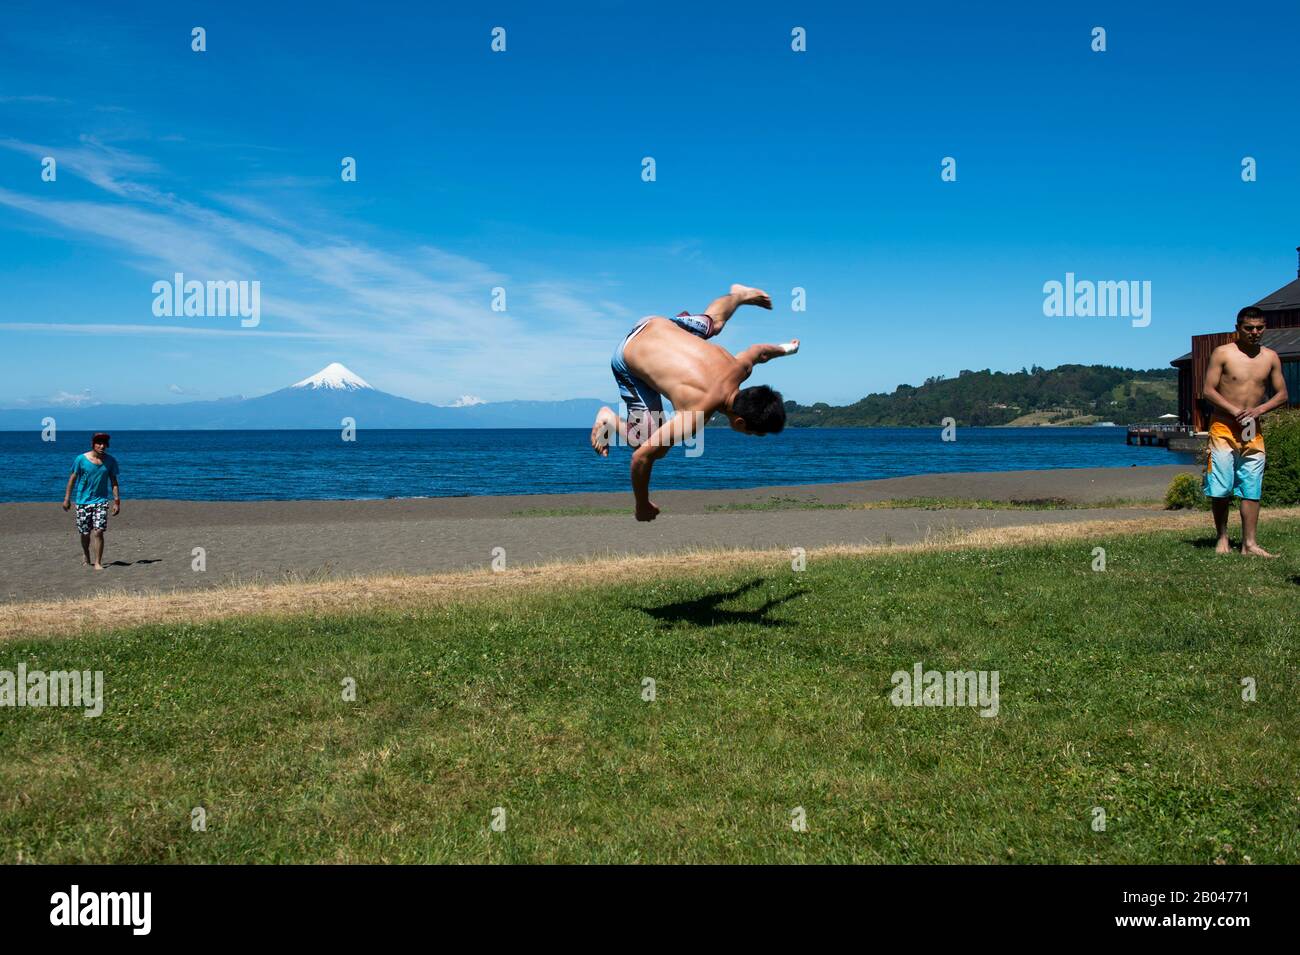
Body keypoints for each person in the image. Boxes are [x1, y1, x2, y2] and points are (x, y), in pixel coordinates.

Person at [590, 284, 798, 521]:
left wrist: (788, 348)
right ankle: (608, 418)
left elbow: (758, 351)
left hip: (655, 324)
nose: (751, 436)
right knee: (647, 446)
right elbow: (641, 459)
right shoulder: (696, 415)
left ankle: (738, 295)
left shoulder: (740, 367)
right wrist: (641, 505)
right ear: (740, 423)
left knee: (713, 324)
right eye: (754, 434)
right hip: (626, 357)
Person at [1201, 306, 1289, 556]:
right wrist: (1234, 410)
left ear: (1265, 328)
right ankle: (1222, 538)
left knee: (1252, 485)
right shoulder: (1223, 353)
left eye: (1259, 328)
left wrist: (1258, 411)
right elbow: (1208, 390)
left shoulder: (1270, 357)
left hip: (1253, 428)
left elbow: (1282, 394)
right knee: (1221, 484)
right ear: (1238, 328)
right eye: (1249, 328)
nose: (1254, 332)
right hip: (1223, 426)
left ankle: (1249, 543)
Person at [61, 432, 121, 570]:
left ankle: (98, 562)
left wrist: (117, 502)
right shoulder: (81, 459)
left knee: (99, 531)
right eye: (99, 443)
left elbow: (114, 482)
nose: (102, 446)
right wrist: (67, 499)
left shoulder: (110, 461)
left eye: (104, 443)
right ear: (93, 444)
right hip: (83, 502)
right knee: (85, 533)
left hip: (101, 501)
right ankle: (86, 554)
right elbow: (72, 479)